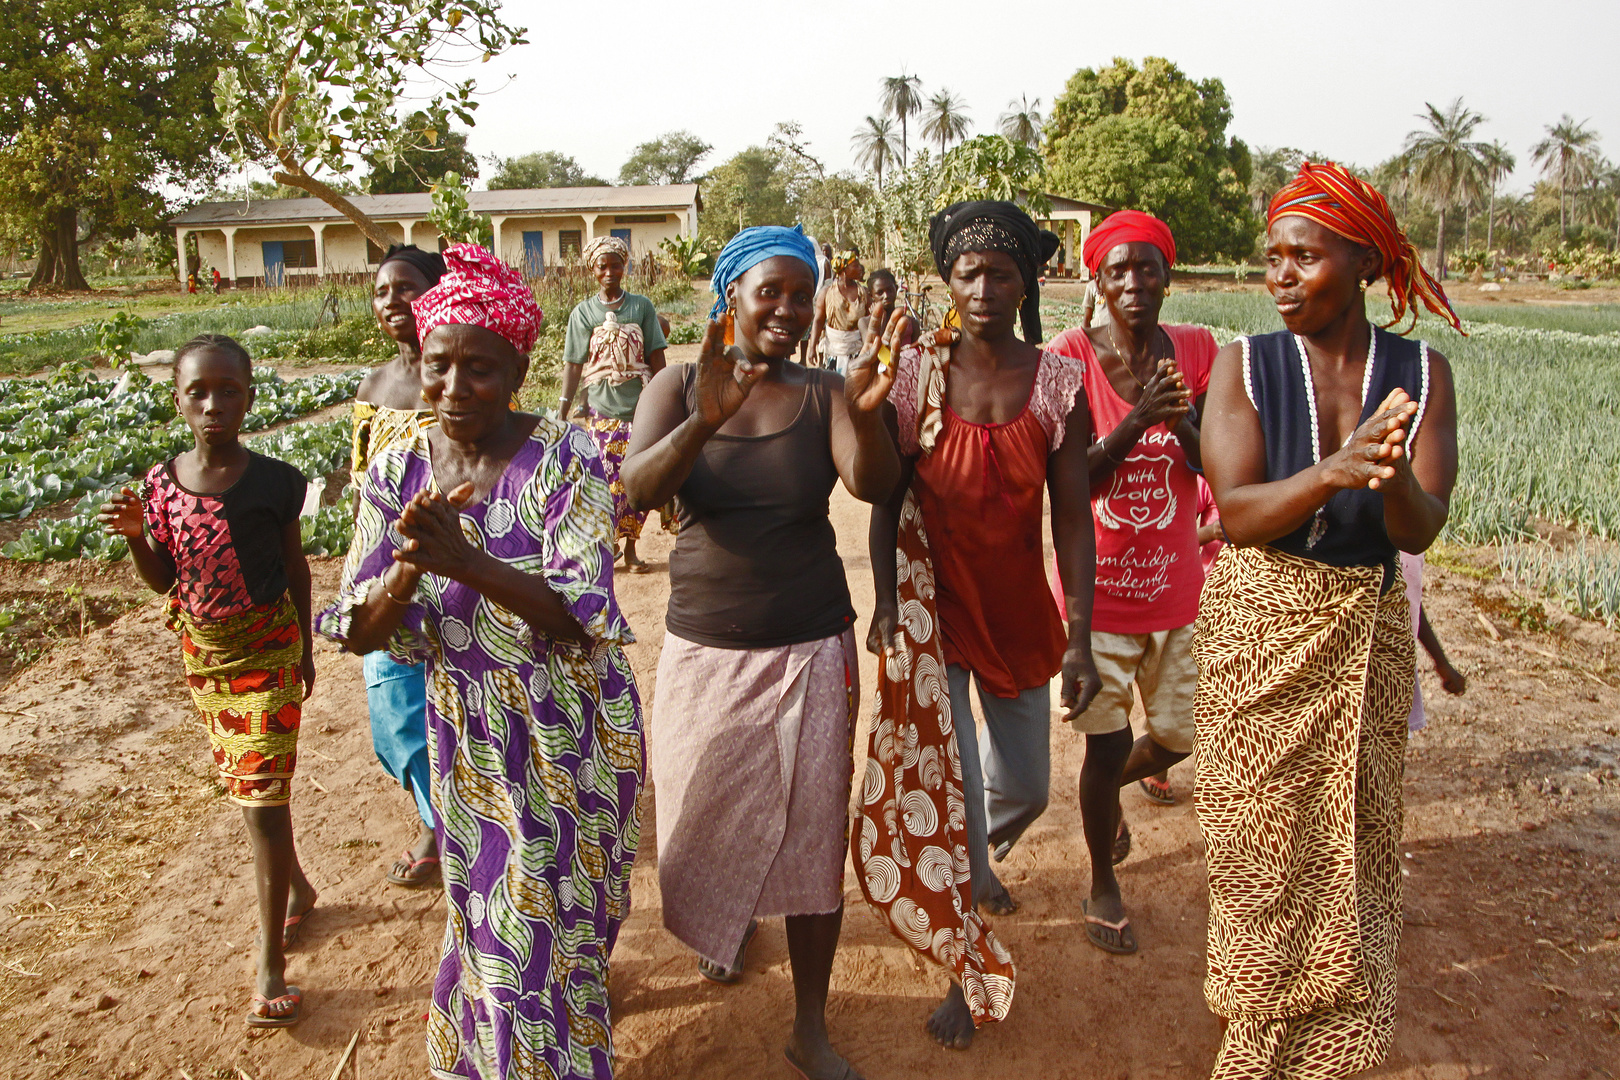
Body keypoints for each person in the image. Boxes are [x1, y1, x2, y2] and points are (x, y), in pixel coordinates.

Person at [318, 243, 643, 1080]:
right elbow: (354, 626)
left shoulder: (567, 457)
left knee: (578, 918)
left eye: (480, 369)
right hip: (471, 734)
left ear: (521, 366)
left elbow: (580, 615)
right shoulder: (396, 472)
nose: (455, 389)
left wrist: (467, 563)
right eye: (439, 367)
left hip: (571, 726)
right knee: (505, 928)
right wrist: (404, 569)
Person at [1197, 161, 1460, 1078]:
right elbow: (1236, 513)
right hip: (1262, 627)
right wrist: (1334, 470)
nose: (1280, 275)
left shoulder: (1422, 373)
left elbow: (1425, 521)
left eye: (1303, 257)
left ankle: (1332, 1044)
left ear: (1362, 261)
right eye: (1273, 257)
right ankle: (1255, 1032)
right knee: (1256, 841)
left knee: (1354, 834)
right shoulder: (1244, 366)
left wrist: (1388, 483)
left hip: (1367, 627)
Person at [621, 224, 900, 1080]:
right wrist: (704, 423)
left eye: (799, 292)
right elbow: (634, 490)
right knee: (697, 817)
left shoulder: (822, 390)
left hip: (812, 640)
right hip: (706, 645)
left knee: (815, 835)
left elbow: (874, 485)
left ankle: (809, 1027)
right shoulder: (677, 384)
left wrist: (861, 408)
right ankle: (729, 919)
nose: (786, 308)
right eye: (767, 291)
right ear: (730, 297)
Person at [866, 200, 1101, 1050]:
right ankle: (968, 970)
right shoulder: (917, 374)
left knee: (1028, 787)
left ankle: (959, 856)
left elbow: (1074, 519)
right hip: (933, 612)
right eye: (968, 272)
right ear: (947, 281)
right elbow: (886, 497)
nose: (984, 287)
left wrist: (1079, 633)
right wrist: (888, 601)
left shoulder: (1056, 384)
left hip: (1019, 616)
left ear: (1028, 281)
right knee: (957, 784)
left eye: (1002, 272)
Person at [98, 334, 316, 1029]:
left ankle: (270, 963)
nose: (214, 404)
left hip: (270, 651)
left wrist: (306, 650)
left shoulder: (277, 481)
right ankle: (299, 889)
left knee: (260, 799)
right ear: (179, 401)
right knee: (253, 791)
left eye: (229, 390)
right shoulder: (162, 485)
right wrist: (138, 535)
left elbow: (297, 571)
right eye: (199, 392)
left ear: (251, 396)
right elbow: (167, 580)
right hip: (207, 660)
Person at [1045, 210, 1217, 955]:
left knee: (1177, 738)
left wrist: (1177, 423)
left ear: (1168, 278)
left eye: (1147, 269)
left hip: (1177, 590)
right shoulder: (1069, 357)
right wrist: (1135, 420)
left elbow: (1222, 466)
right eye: (1118, 271)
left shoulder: (1200, 352)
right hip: (1100, 598)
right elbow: (1071, 480)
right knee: (1105, 748)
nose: (1134, 283)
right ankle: (1101, 880)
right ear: (1099, 282)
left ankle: (1109, 795)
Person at [351, 244, 446, 888]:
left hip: (447, 559)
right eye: (383, 290)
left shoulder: (455, 376)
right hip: (384, 564)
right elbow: (362, 479)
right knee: (394, 716)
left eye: (407, 288)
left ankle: (442, 830)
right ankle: (436, 814)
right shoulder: (373, 385)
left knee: (447, 705)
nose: (393, 301)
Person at [558, 235, 669, 572]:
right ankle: (609, 545)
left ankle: (632, 547)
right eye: (602, 266)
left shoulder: (641, 307)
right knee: (604, 482)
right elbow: (574, 364)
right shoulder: (583, 313)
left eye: (615, 265)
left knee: (640, 481)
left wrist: (667, 401)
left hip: (640, 407)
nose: (609, 272)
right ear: (593, 270)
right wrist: (563, 410)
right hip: (600, 411)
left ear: (625, 267)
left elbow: (655, 356)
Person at [1400, 552, 1467, 733]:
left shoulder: (1409, 549)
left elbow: (1411, 602)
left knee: (1390, 748)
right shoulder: (1386, 535)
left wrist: (1441, 662)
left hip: (1395, 661)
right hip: (1359, 657)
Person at [808, 250, 867, 374]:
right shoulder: (826, 292)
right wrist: (812, 347)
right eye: (855, 265)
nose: (860, 268)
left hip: (858, 351)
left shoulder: (863, 293)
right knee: (833, 389)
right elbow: (818, 321)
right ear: (844, 269)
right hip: (833, 351)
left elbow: (870, 321)